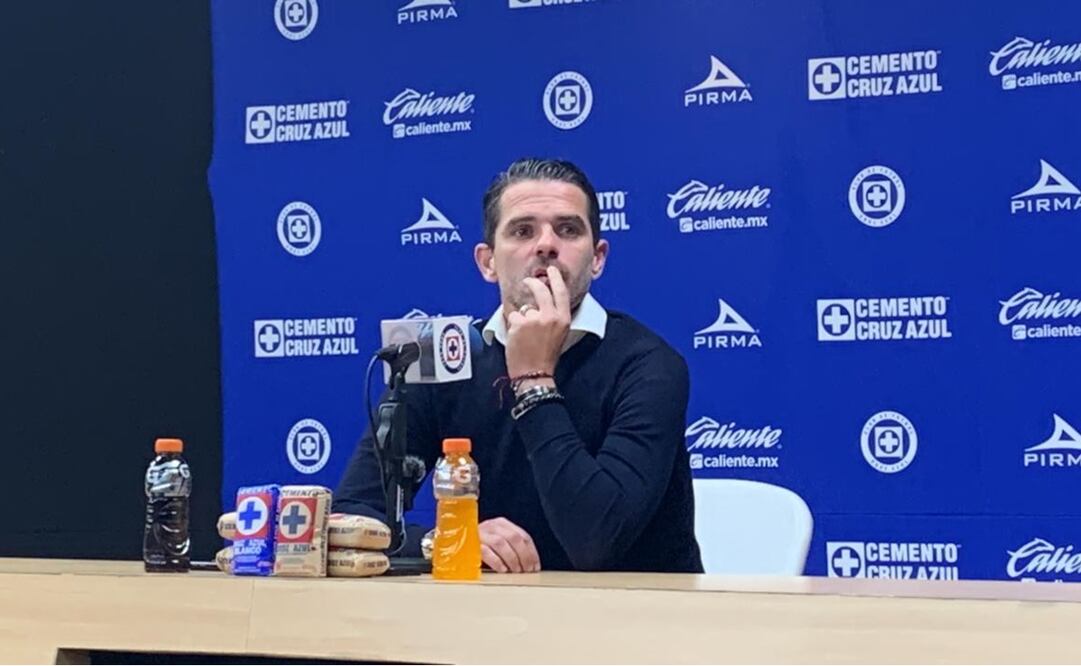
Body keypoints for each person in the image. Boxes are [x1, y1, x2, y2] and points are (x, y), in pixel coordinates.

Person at [334, 158, 702, 573]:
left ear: (597, 258)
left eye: (568, 229)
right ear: (487, 262)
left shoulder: (649, 364)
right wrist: (447, 540)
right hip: (490, 619)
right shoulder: (440, 357)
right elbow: (354, 517)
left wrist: (534, 380)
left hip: (634, 618)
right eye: (522, 231)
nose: (546, 245)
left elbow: (598, 540)